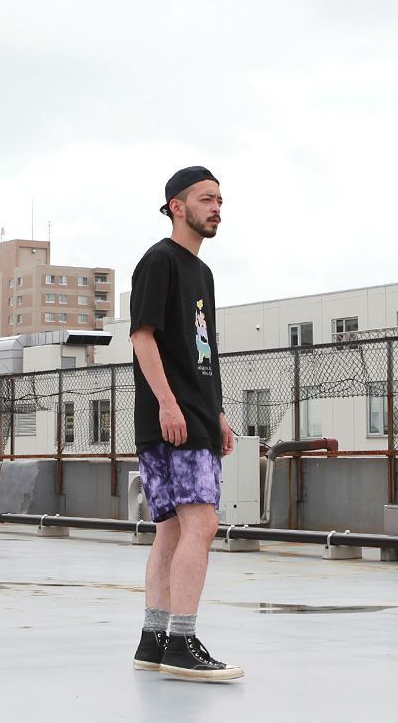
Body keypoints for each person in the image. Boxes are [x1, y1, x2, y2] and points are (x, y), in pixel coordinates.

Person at [130, 166, 243, 682]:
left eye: (219, 200)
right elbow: (142, 336)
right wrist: (168, 404)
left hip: (194, 415)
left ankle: (154, 639)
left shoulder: (204, 274)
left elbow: (204, 351)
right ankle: (182, 641)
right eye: (205, 199)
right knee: (202, 524)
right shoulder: (160, 261)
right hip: (172, 419)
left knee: (173, 529)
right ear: (177, 206)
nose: (216, 208)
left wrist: (216, 411)